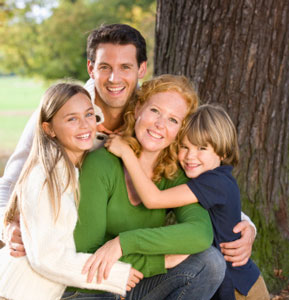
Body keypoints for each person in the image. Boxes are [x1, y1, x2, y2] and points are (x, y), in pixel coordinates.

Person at [1, 24, 254, 267]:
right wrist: (7, 224)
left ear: (141, 69)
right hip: (66, 239)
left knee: (207, 263)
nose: (114, 78)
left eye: (125, 67)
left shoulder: (153, 115)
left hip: (127, 241)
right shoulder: (62, 113)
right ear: (91, 68)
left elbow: (201, 168)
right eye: (104, 67)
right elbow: (11, 181)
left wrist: (243, 224)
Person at [62, 74, 225, 300]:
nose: (160, 125)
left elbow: (200, 234)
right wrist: (160, 260)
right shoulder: (102, 164)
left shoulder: (174, 174)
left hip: (133, 284)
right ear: (138, 108)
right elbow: (84, 253)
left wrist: (123, 243)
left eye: (173, 120)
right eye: (155, 111)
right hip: (89, 287)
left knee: (210, 263)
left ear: (181, 131)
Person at [106, 103, 270, 300]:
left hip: (241, 288)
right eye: (184, 147)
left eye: (202, 148)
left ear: (223, 153)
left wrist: (127, 154)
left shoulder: (215, 181)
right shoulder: (204, 179)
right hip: (223, 278)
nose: (190, 156)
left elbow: (153, 199)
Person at [0, 83, 141, 300]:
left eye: (89, 115)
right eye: (71, 119)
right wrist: (113, 274)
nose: (85, 125)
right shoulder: (47, 177)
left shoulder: (66, 167)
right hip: (15, 292)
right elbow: (48, 257)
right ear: (49, 129)